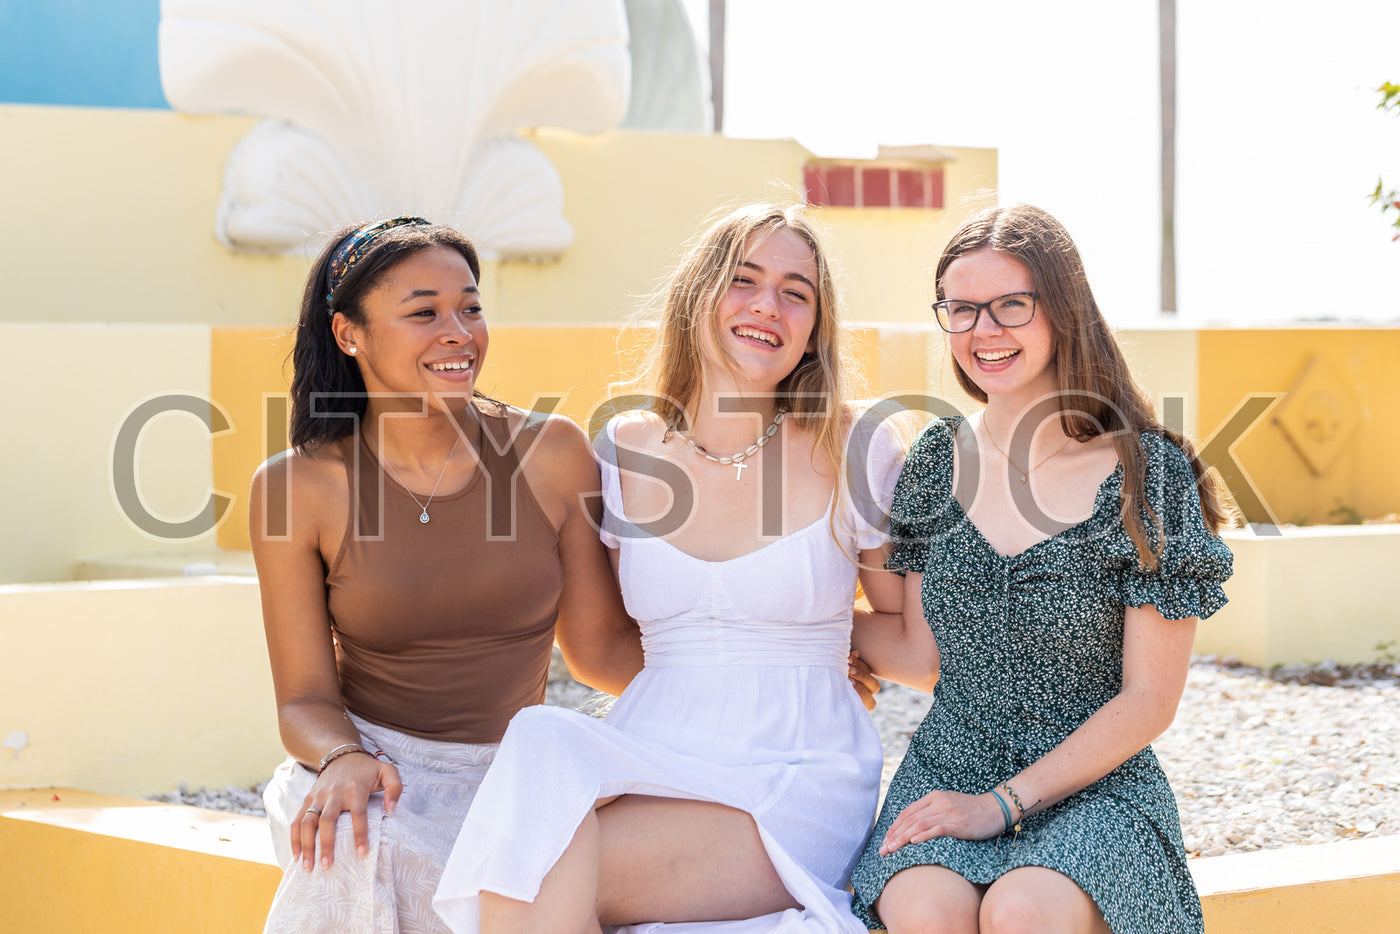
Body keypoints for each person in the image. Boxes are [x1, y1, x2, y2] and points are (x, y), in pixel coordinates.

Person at [432, 202, 924, 933]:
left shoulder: (855, 445)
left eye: (797, 293)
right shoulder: (625, 448)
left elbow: (915, 644)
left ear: (816, 329)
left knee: (533, 863)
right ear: (698, 295)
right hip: (655, 747)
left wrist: (818, 635)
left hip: (793, 772)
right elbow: (599, 650)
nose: (767, 306)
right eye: (745, 279)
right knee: (541, 742)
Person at [248, 216, 642, 934]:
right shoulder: (294, 488)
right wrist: (341, 757)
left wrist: (768, 663)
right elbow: (303, 699)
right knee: (359, 845)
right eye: (424, 312)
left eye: (471, 306)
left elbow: (600, 651)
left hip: (510, 772)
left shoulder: (550, 453)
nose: (458, 330)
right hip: (372, 767)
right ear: (349, 334)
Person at [848, 204, 1235, 934]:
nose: (982, 331)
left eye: (1010, 306)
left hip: (1097, 786)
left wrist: (1002, 805)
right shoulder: (934, 462)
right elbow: (921, 653)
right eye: (961, 310)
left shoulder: (1147, 476)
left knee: (1024, 911)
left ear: (1063, 313)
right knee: (925, 911)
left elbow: (1150, 698)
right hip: (949, 769)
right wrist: (804, 629)